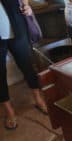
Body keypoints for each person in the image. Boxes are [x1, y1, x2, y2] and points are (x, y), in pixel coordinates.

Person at [0, 0, 48, 130]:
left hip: (17, 26)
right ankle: (9, 111)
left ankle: (38, 99)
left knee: (27, 65)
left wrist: (26, 5)